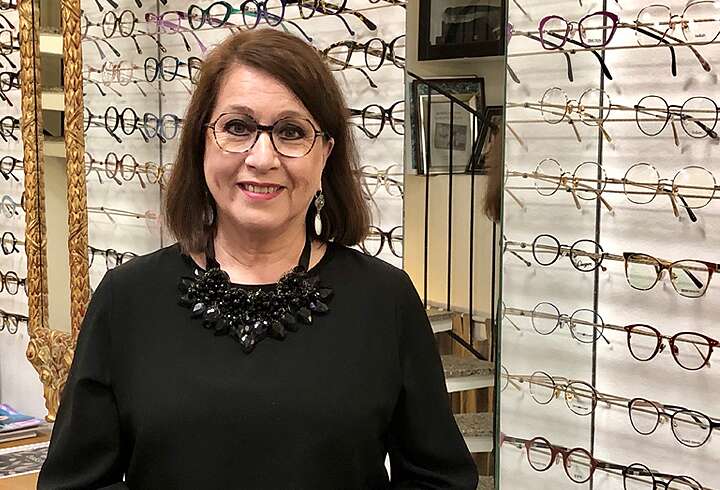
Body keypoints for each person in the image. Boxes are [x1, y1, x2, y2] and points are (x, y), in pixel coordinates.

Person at [37, 29, 478, 489]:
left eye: (291, 132)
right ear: (201, 142)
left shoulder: (384, 300)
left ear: (325, 154)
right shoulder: (127, 299)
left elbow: (439, 480)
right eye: (237, 128)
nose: (262, 157)